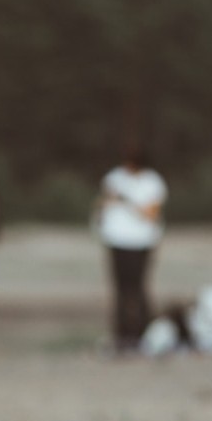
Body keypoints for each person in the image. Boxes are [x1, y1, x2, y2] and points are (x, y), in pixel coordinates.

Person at [93, 143, 167, 354]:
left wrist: (126, 201)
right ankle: (122, 334)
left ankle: (143, 332)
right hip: (116, 240)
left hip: (141, 242)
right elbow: (102, 204)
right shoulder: (114, 178)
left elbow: (151, 214)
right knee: (120, 289)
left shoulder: (152, 182)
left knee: (139, 287)